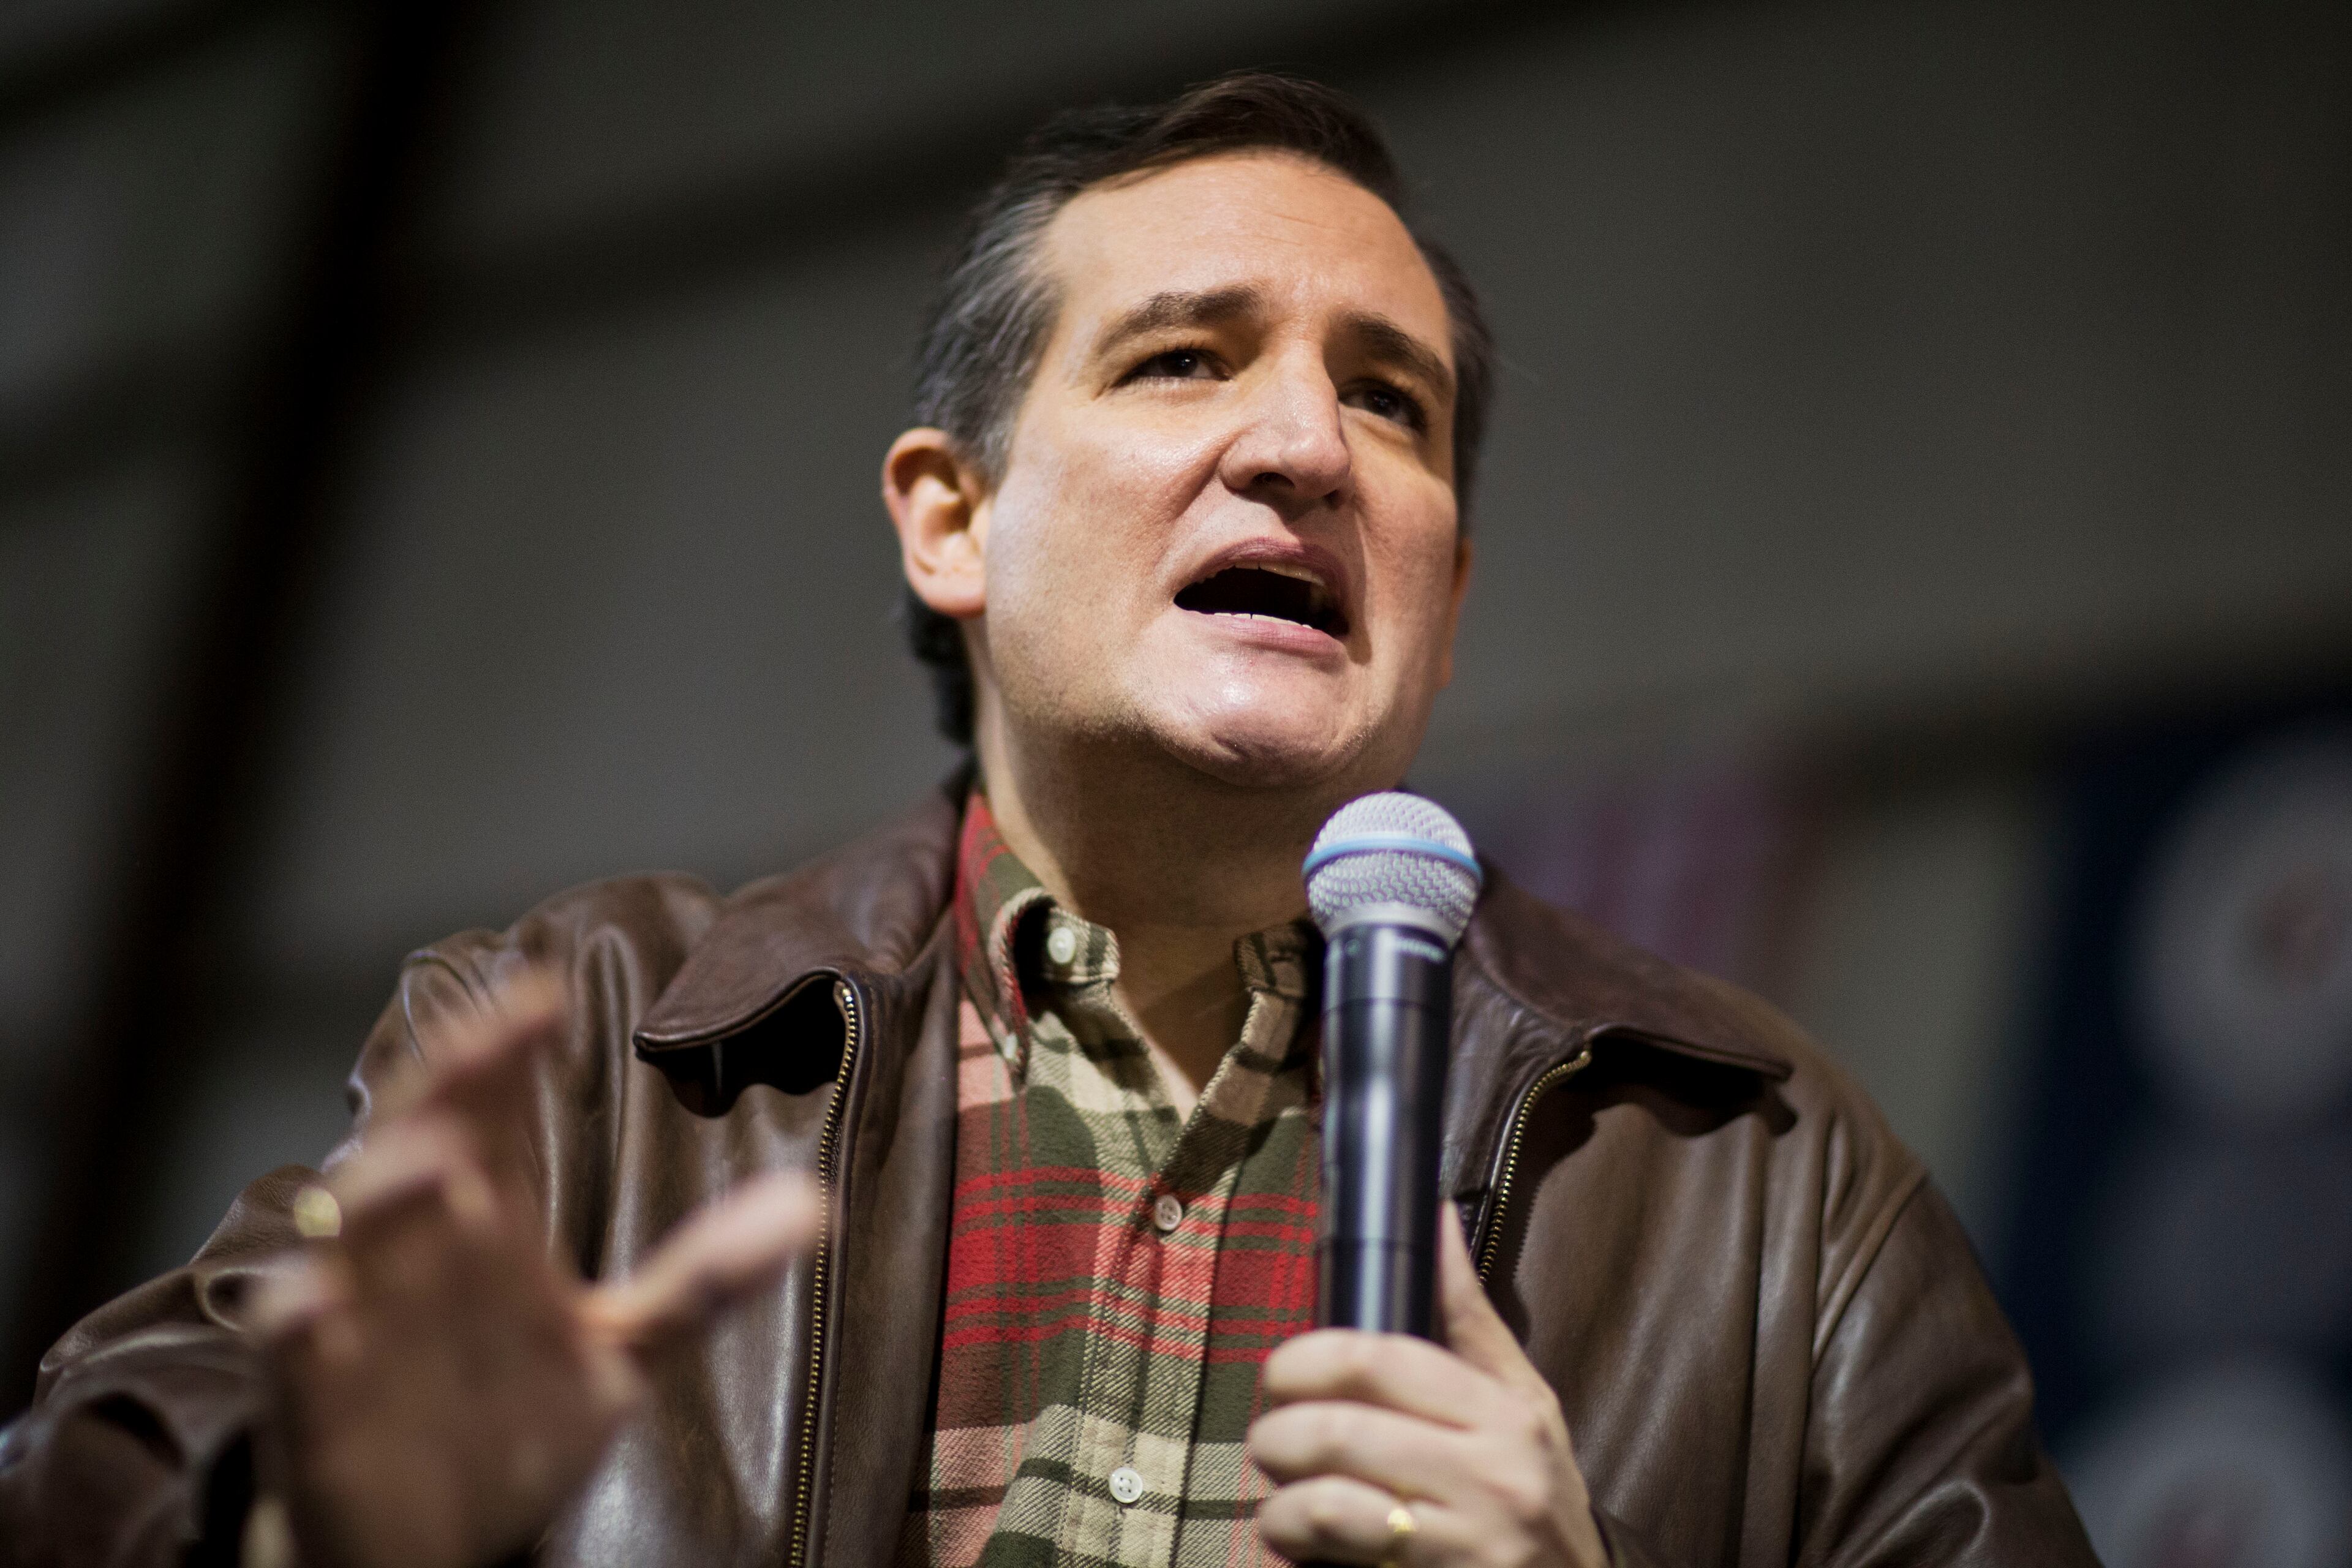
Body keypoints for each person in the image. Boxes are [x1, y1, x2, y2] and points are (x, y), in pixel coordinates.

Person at [0, 74, 2096, 1568]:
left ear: (1447, 602)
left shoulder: (1769, 1180)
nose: (1304, 448)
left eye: (1394, 402)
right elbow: (88, 1486)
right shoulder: (604, 1049)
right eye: (1187, 360)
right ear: (954, 519)